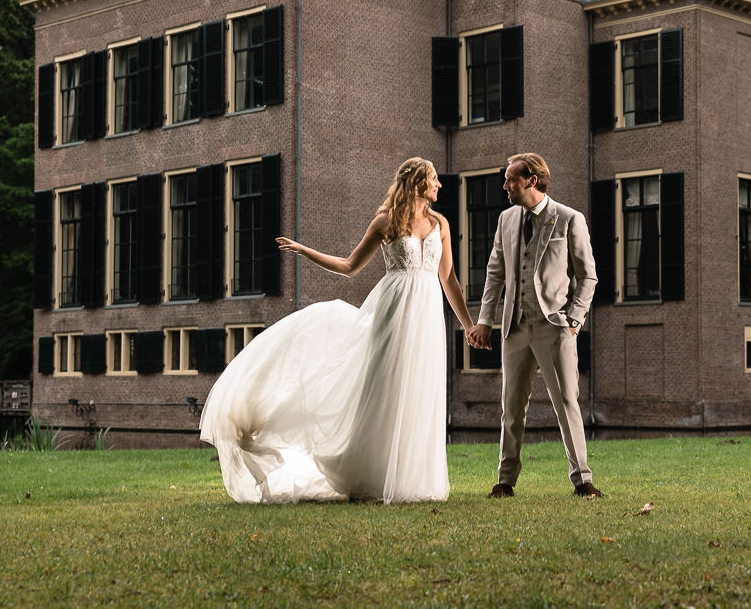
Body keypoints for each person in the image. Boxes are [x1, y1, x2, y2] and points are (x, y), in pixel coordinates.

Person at [200, 157, 480, 503]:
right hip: (394, 312)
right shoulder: (385, 223)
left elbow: (448, 278)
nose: (440, 185)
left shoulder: (441, 223)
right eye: (434, 179)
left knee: (422, 388)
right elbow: (349, 266)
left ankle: (413, 479)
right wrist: (305, 251)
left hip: (428, 315)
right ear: (418, 182)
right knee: (387, 389)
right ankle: (375, 476)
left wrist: (468, 325)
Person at [466, 152, 603, 499]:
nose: (505, 185)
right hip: (515, 327)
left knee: (567, 402)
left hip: (554, 326)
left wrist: (574, 318)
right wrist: (485, 320)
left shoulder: (570, 219)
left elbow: (588, 277)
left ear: (531, 180)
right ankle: (505, 481)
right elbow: (495, 273)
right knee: (511, 408)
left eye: (511, 179)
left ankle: (583, 480)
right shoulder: (506, 220)